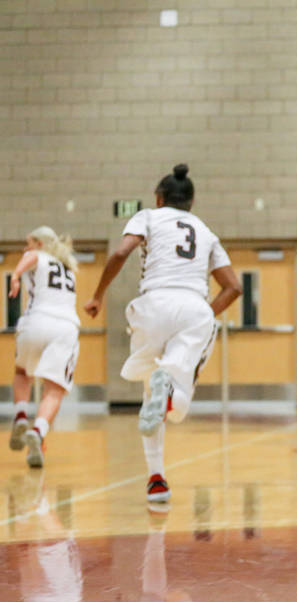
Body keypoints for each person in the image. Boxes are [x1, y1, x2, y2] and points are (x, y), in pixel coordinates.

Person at [85, 164, 241, 503]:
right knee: (178, 406)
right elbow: (234, 287)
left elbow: (120, 252)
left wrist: (97, 294)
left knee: (150, 396)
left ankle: (157, 479)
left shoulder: (148, 217)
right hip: (193, 308)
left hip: (151, 305)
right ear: (192, 202)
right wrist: (199, 317)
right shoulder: (205, 230)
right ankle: (169, 390)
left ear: (158, 198)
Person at [8, 226, 80, 469]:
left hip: (36, 322)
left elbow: (30, 258)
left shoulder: (37, 256)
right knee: (55, 389)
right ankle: (38, 432)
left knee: (21, 372)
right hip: (65, 329)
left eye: (28, 242)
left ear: (39, 244)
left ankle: (20, 415)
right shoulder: (69, 268)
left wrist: (16, 275)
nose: (25, 248)